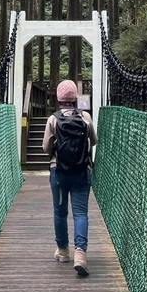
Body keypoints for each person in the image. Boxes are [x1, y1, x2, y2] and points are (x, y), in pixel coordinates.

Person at [42, 79, 97, 277]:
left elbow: (46, 148)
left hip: (59, 172)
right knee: (80, 213)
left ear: (58, 98)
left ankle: (63, 250)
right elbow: (94, 141)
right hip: (82, 171)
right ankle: (80, 253)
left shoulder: (53, 119)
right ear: (75, 98)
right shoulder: (85, 117)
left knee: (60, 211)